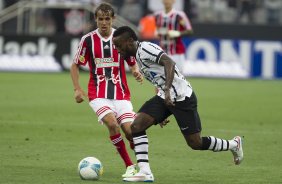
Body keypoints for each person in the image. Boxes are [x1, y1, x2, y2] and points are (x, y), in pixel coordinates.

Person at [112, 26, 244, 182]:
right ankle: (145, 172)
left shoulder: (146, 48)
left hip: (182, 97)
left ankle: (234, 144)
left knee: (195, 143)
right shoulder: (137, 56)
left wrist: (167, 91)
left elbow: (169, 63)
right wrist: (160, 109)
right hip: (164, 97)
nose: (117, 49)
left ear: (129, 41)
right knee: (136, 126)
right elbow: (159, 78)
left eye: (119, 45)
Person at [70, 3, 143, 178]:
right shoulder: (87, 40)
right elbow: (75, 66)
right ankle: (129, 165)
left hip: (121, 93)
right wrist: (77, 89)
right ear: (96, 19)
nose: (104, 23)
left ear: (113, 19)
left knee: (130, 132)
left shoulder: (121, 38)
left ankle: (140, 159)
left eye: (107, 19)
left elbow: (132, 61)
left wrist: (136, 71)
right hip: (98, 93)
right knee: (112, 124)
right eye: (100, 19)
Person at [154, 0, 193, 74]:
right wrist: (157, 32)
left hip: (176, 52)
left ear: (174, 1)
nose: (167, 1)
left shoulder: (179, 15)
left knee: (178, 77)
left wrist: (178, 33)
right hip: (162, 51)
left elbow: (189, 31)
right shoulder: (157, 15)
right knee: (161, 78)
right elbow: (157, 29)